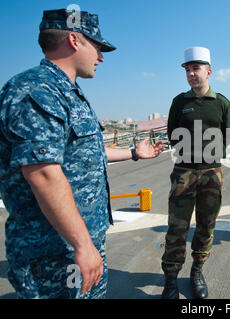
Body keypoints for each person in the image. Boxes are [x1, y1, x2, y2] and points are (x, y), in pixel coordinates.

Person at [0, 8, 166, 299]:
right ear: (75, 40)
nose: (101, 57)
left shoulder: (67, 91)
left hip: (76, 243)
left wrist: (133, 153)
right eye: (98, 47)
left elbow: (86, 151)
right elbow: (43, 173)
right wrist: (82, 245)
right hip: (54, 250)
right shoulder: (35, 91)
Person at [162, 46, 230, 299]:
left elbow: (227, 135)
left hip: (212, 174)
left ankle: (197, 271)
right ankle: (170, 279)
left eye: (196, 69)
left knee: (206, 226)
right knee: (177, 228)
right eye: (188, 70)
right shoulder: (179, 102)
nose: (191, 74)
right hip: (184, 173)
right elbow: (172, 134)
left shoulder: (222, 103)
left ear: (209, 72)